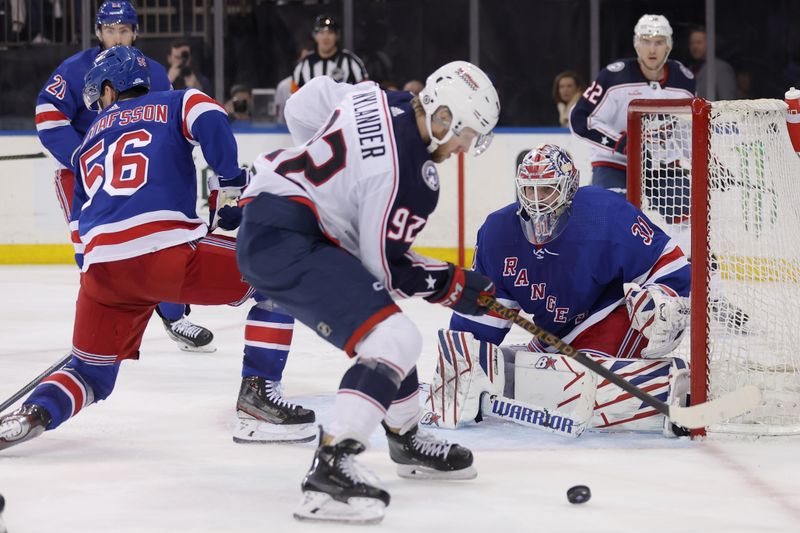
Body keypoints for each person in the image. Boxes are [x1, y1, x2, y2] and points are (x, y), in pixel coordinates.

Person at [1, 46, 315, 453]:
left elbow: (80, 222)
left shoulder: (89, 139)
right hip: (163, 255)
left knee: (92, 374)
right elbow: (210, 115)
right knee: (281, 275)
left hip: (100, 274)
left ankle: (32, 413)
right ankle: (258, 397)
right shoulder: (174, 101)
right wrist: (231, 183)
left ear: (110, 89)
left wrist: (123, 280)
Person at [236, 61, 500, 523]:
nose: (464, 148)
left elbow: (303, 103)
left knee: (390, 327)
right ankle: (331, 467)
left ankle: (405, 436)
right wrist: (451, 284)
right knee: (394, 338)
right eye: (467, 135)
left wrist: (329, 183)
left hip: (276, 218)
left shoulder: (376, 96)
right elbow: (386, 269)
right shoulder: (413, 180)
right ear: (442, 118)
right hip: (287, 240)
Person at [429, 144, 692, 434]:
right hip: (554, 335)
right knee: (513, 370)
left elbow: (672, 267)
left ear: (569, 187)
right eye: (530, 191)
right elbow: (484, 317)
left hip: (609, 315)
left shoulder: (606, 214)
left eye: (547, 190)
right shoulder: (497, 233)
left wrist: (662, 304)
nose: (537, 201)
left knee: (586, 383)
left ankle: (665, 385)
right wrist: (461, 361)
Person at [34, 0, 214, 352]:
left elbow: (169, 122)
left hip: (134, 168)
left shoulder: (153, 71)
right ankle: (100, 321)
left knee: (162, 237)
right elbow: (48, 116)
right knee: (90, 242)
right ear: (99, 32)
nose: (117, 38)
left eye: (124, 31)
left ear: (135, 33)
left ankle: (174, 317)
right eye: (110, 30)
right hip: (84, 173)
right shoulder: (76, 68)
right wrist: (83, 157)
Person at [570, 14, 695, 193]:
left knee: (689, 217)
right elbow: (579, 119)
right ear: (637, 44)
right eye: (646, 41)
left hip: (662, 164)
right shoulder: (614, 77)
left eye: (659, 42)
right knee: (609, 214)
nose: (652, 50)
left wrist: (704, 161)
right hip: (615, 162)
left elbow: (686, 129)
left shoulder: (683, 79)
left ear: (669, 45)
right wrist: (623, 143)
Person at [291, 14, 368, 92]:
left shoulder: (351, 61)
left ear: (337, 36)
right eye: (321, 32)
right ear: (315, 36)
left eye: (330, 32)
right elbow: (294, 96)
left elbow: (365, 90)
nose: (326, 37)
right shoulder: (303, 65)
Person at [687, 26, 737, 101]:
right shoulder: (688, 70)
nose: (694, 46)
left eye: (699, 42)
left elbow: (728, 102)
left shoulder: (721, 68)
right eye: (692, 43)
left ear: (710, 43)